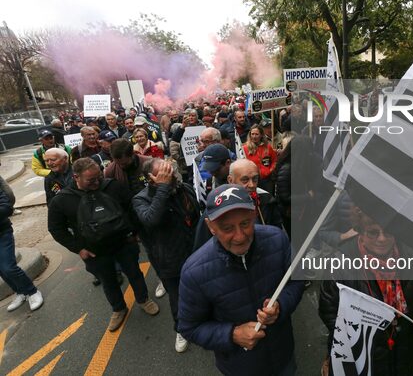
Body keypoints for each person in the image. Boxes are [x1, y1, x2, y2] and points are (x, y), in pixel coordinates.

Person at [178, 184, 304, 376]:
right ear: (210, 226)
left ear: (254, 215)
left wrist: (281, 305)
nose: (239, 236)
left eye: (245, 223)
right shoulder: (194, 272)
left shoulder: (277, 240)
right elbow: (189, 327)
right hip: (239, 367)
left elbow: (295, 281)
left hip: (283, 356)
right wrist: (232, 335)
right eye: (227, 228)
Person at [48, 158, 159, 331]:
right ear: (76, 177)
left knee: (135, 273)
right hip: (95, 252)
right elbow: (56, 229)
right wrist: (79, 249)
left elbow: (133, 208)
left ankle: (144, 299)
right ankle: (118, 309)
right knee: (108, 281)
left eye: (98, 177)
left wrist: (133, 232)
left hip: (124, 244)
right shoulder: (62, 200)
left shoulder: (112, 187)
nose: (96, 183)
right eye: (91, 180)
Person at [319, 210, 413, 375]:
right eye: (373, 232)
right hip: (361, 353)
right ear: (360, 231)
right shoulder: (339, 264)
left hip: (402, 352)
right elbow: (328, 310)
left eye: (388, 231)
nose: (382, 238)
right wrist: (366, 331)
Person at [133, 159, 200, 352]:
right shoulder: (141, 198)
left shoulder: (183, 188)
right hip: (171, 260)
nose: (171, 174)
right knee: (178, 299)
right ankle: (181, 329)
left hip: (194, 253)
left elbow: (195, 215)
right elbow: (150, 220)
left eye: (170, 170)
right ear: (151, 178)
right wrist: (162, 189)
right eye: (163, 172)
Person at [1, 178, 44, 312]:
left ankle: (32, 292)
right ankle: (20, 292)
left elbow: (6, 206)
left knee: (8, 267)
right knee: (1, 269)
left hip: (2, 233)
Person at [243, 124, 277, 194]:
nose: (254, 136)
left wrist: (270, 170)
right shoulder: (245, 148)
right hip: (252, 180)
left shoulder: (268, 147)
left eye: (256, 134)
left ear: (261, 135)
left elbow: (274, 160)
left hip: (267, 180)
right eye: (252, 134)